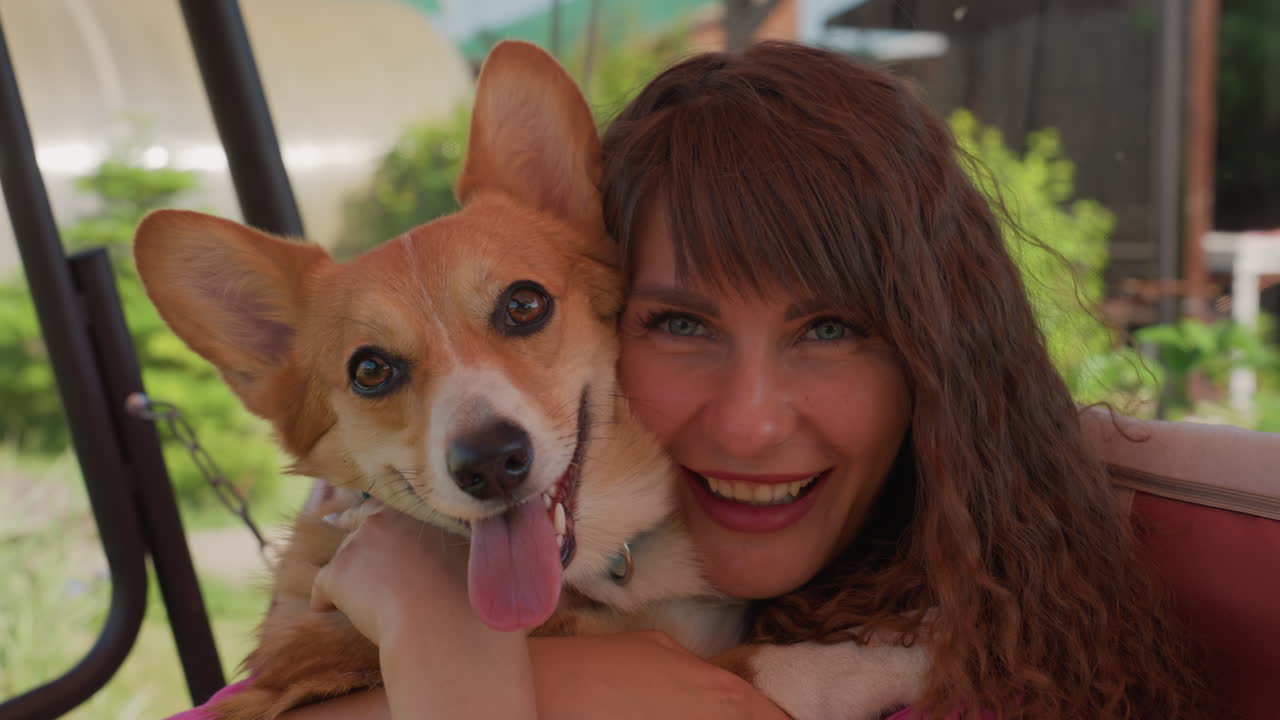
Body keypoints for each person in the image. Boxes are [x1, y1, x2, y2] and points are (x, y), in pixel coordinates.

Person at [183, 41, 1206, 720]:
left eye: (831, 327)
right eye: (678, 323)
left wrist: (454, 647)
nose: (751, 424)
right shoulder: (366, 577)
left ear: (937, 346)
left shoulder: (997, 662)